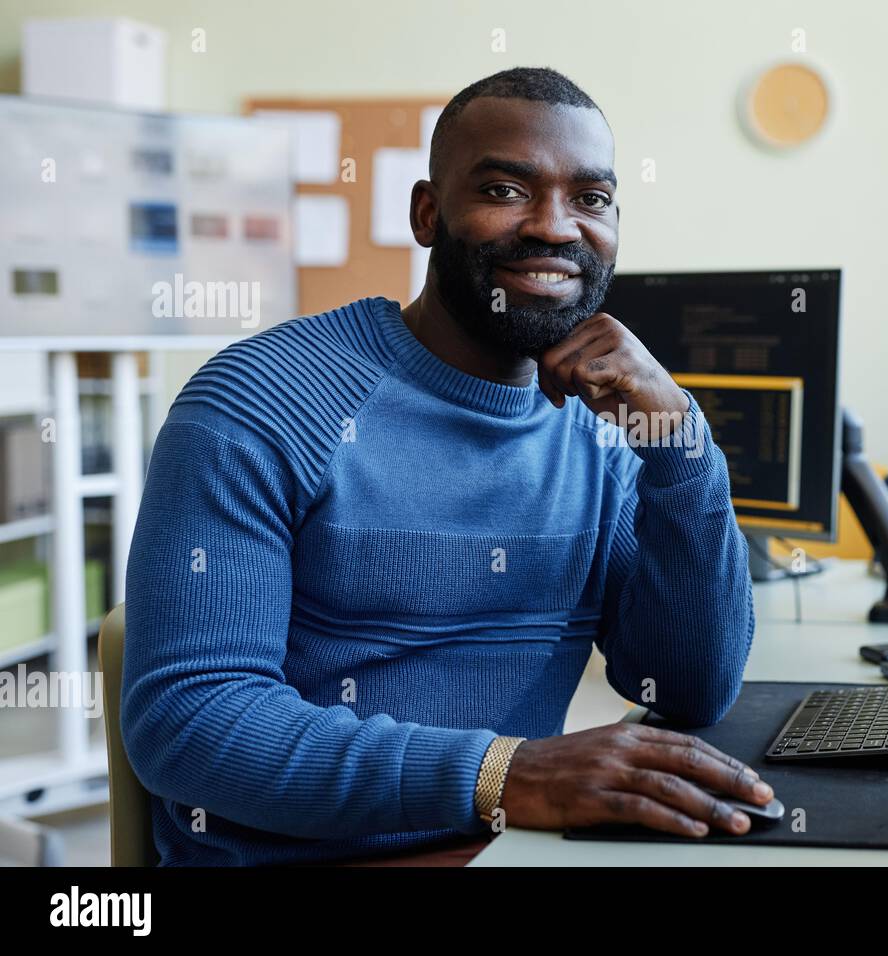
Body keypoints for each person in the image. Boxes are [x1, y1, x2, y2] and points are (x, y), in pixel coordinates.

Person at [122, 66, 769, 866]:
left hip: (509, 848)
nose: (554, 227)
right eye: (504, 191)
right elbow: (188, 721)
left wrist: (680, 443)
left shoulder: (604, 428)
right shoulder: (261, 399)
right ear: (427, 214)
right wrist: (504, 774)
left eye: (591, 198)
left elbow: (689, 689)